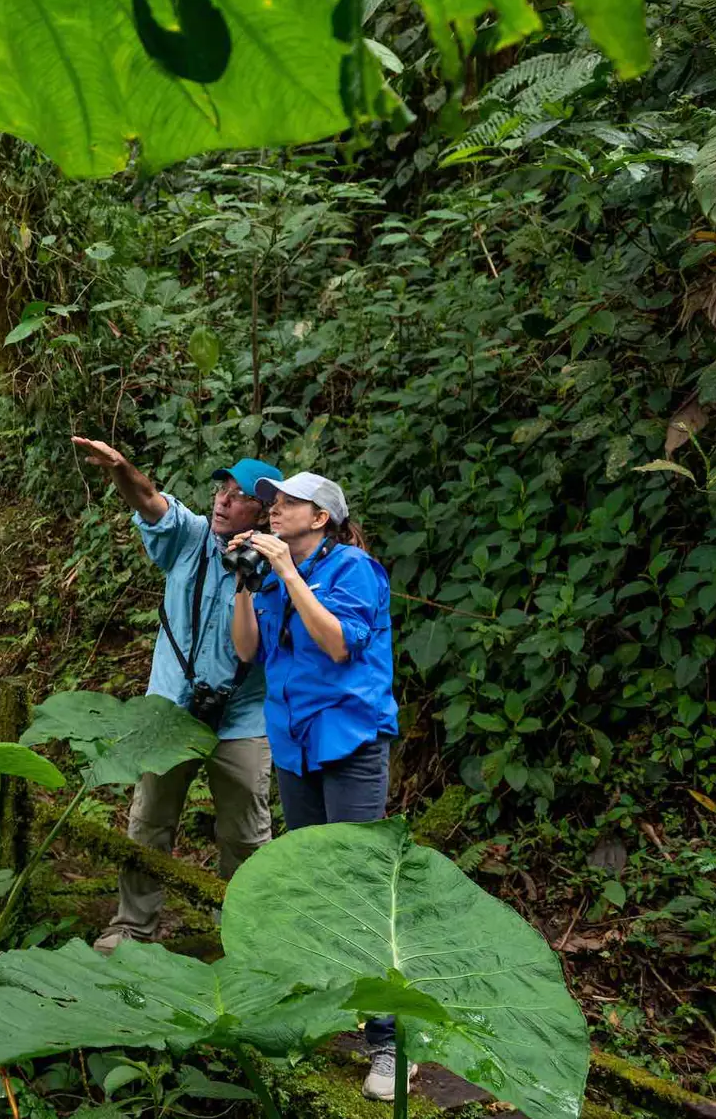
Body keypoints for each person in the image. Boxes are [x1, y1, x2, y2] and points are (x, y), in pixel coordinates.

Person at [226, 471, 405, 1102]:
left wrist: (290, 575)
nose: (273, 510)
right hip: (296, 745)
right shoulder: (273, 571)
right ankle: (330, 1015)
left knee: (358, 887)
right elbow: (246, 651)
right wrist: (247, 585)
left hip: (350, 745)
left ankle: (390, 1042)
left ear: (320, 518)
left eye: (287, 503)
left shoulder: (355, 570)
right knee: (311, 883)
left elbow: (337, 644)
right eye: (273, 503)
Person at [70, 436, 282, 956]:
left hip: (244, 715)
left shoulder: (282, 565)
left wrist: (255, 573)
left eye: (237, 495)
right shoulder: (190, 538)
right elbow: (149, 500)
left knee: (247, 835)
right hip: (171, 704)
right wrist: (121, 468)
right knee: (149, 820)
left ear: (265, 510)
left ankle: (247, 938)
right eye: (221, 490)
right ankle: (132, 926)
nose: (222, 500)